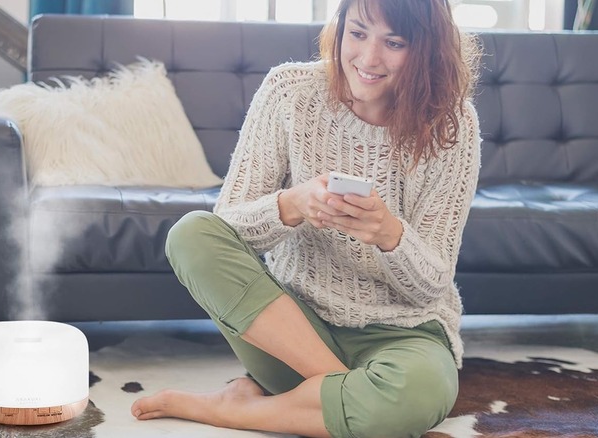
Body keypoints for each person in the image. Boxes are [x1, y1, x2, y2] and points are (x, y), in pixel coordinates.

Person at [131, 0, 481, 436]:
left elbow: (433, 283)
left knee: (420, 393)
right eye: (357, 33)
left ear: (427, 49)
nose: (369, 59)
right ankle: (340, 392)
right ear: (338, 29)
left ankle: (235, 408)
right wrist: (290, 206)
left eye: (394, 42)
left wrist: (391, 235)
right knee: (190, 234)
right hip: (292, 327)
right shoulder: (290, 91)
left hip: (402, 334)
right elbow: (226, 230)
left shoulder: (453, 123)